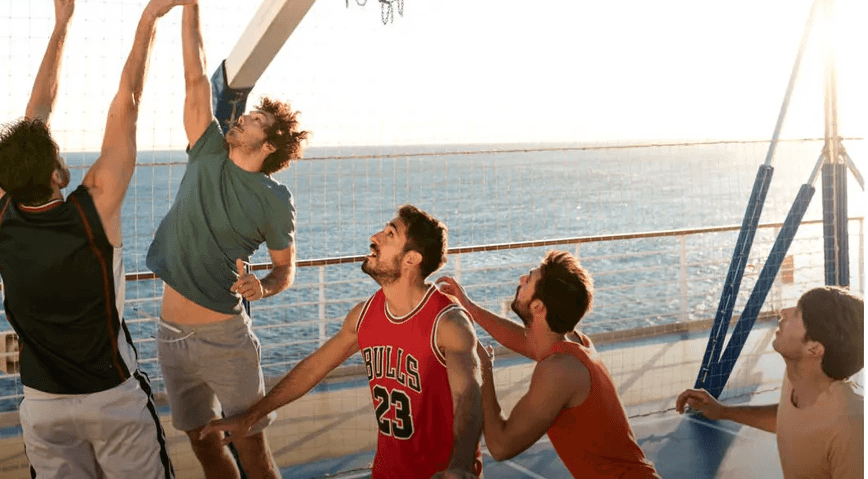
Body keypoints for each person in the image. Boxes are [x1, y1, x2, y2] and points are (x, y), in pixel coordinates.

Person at [0, 0, 196, 478]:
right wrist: (148, 19)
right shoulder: (93, 207)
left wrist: (60, 28)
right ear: (57, 174)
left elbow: (35, 117)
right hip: (111, 398)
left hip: (43, 405)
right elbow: (128, 100)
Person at [146, 0, 310, 479]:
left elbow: (286, 268)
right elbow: (196, 79)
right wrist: (191, 4)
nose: (241, 119)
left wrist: (266, 285)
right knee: (200, 444)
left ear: (270, 144)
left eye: (254, 119)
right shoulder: (209, 148)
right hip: (170, 334)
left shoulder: (273, 199)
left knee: (251, 447)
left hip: (225, 338)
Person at [203, 205, 484, 479]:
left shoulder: (447, 322)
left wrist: (459, 466)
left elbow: (469, 396)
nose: (374, 237)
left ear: (411, 259)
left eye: (390, 234)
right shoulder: (364, 316)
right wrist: (250, 417)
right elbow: (313, 369)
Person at [438, 250, 661, 478]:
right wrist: (470, 308)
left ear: (537, 307)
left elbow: (501, 446)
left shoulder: (559, 370)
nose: (521, 280)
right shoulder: (574, 343)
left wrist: (483, 370)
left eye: (529, 280)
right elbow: (525, 341)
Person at [677, 286, 864, 479]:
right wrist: (722, 411)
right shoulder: (798, 378)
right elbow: (792, 419)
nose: (784, 311)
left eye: (798, 313)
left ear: (814, 348)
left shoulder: (852, 429)